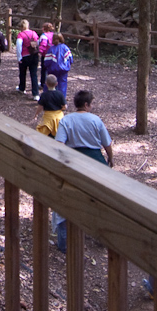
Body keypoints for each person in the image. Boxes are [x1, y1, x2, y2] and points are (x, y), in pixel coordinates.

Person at [53, 90, 114, 251]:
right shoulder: (96, 120)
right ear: (86, 104)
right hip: (96, 161)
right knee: (101, 198)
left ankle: (64, 242)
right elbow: (106, 143)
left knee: (67, 197)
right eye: (91, 104)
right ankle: (102, 236)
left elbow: (59, 143)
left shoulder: (66, 120)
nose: (92, 107)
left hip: (73, 161)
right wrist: (110, 158)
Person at [43, 32, 74, 98]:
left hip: (53, 70)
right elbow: (70, 59)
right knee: (62, 85)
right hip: (63, 70)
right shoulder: (66, 48)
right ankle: (62, 101)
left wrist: (47, 67)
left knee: (51, 85)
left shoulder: (51, 49)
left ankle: (48, 99)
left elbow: (47, 62)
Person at [15, 19, 40, 98]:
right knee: (34, 74)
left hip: (25, 56)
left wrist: (19, 57)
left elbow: (19, 46)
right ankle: (35, 94)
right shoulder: (34, 33)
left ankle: (22, 88)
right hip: (34, 55)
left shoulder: (21, 35)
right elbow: (38, 43)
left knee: (22, 73)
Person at [38, 22, 55, 91]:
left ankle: (43, 83)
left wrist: (40, 52)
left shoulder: (44, 36)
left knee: (44, 70)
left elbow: (43, 44)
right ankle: (52, 82)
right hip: (53, 55)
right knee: (51, 69)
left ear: (44, 28)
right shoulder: (53, 35)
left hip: (45, 55)